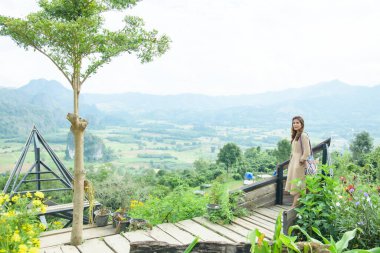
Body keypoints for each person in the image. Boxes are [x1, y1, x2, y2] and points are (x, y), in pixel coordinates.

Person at [285, 116, 311, 208]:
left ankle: (294, 206)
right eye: (294, 123)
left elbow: (307, 151)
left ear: (301, 124)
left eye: (297, 123)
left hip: (299, 164)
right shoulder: (296, 135)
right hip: (294, 162)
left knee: (298, 184)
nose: (295, 124)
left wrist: (301, 160)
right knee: (295, 183)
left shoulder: (303, 135)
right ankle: (297, 204)